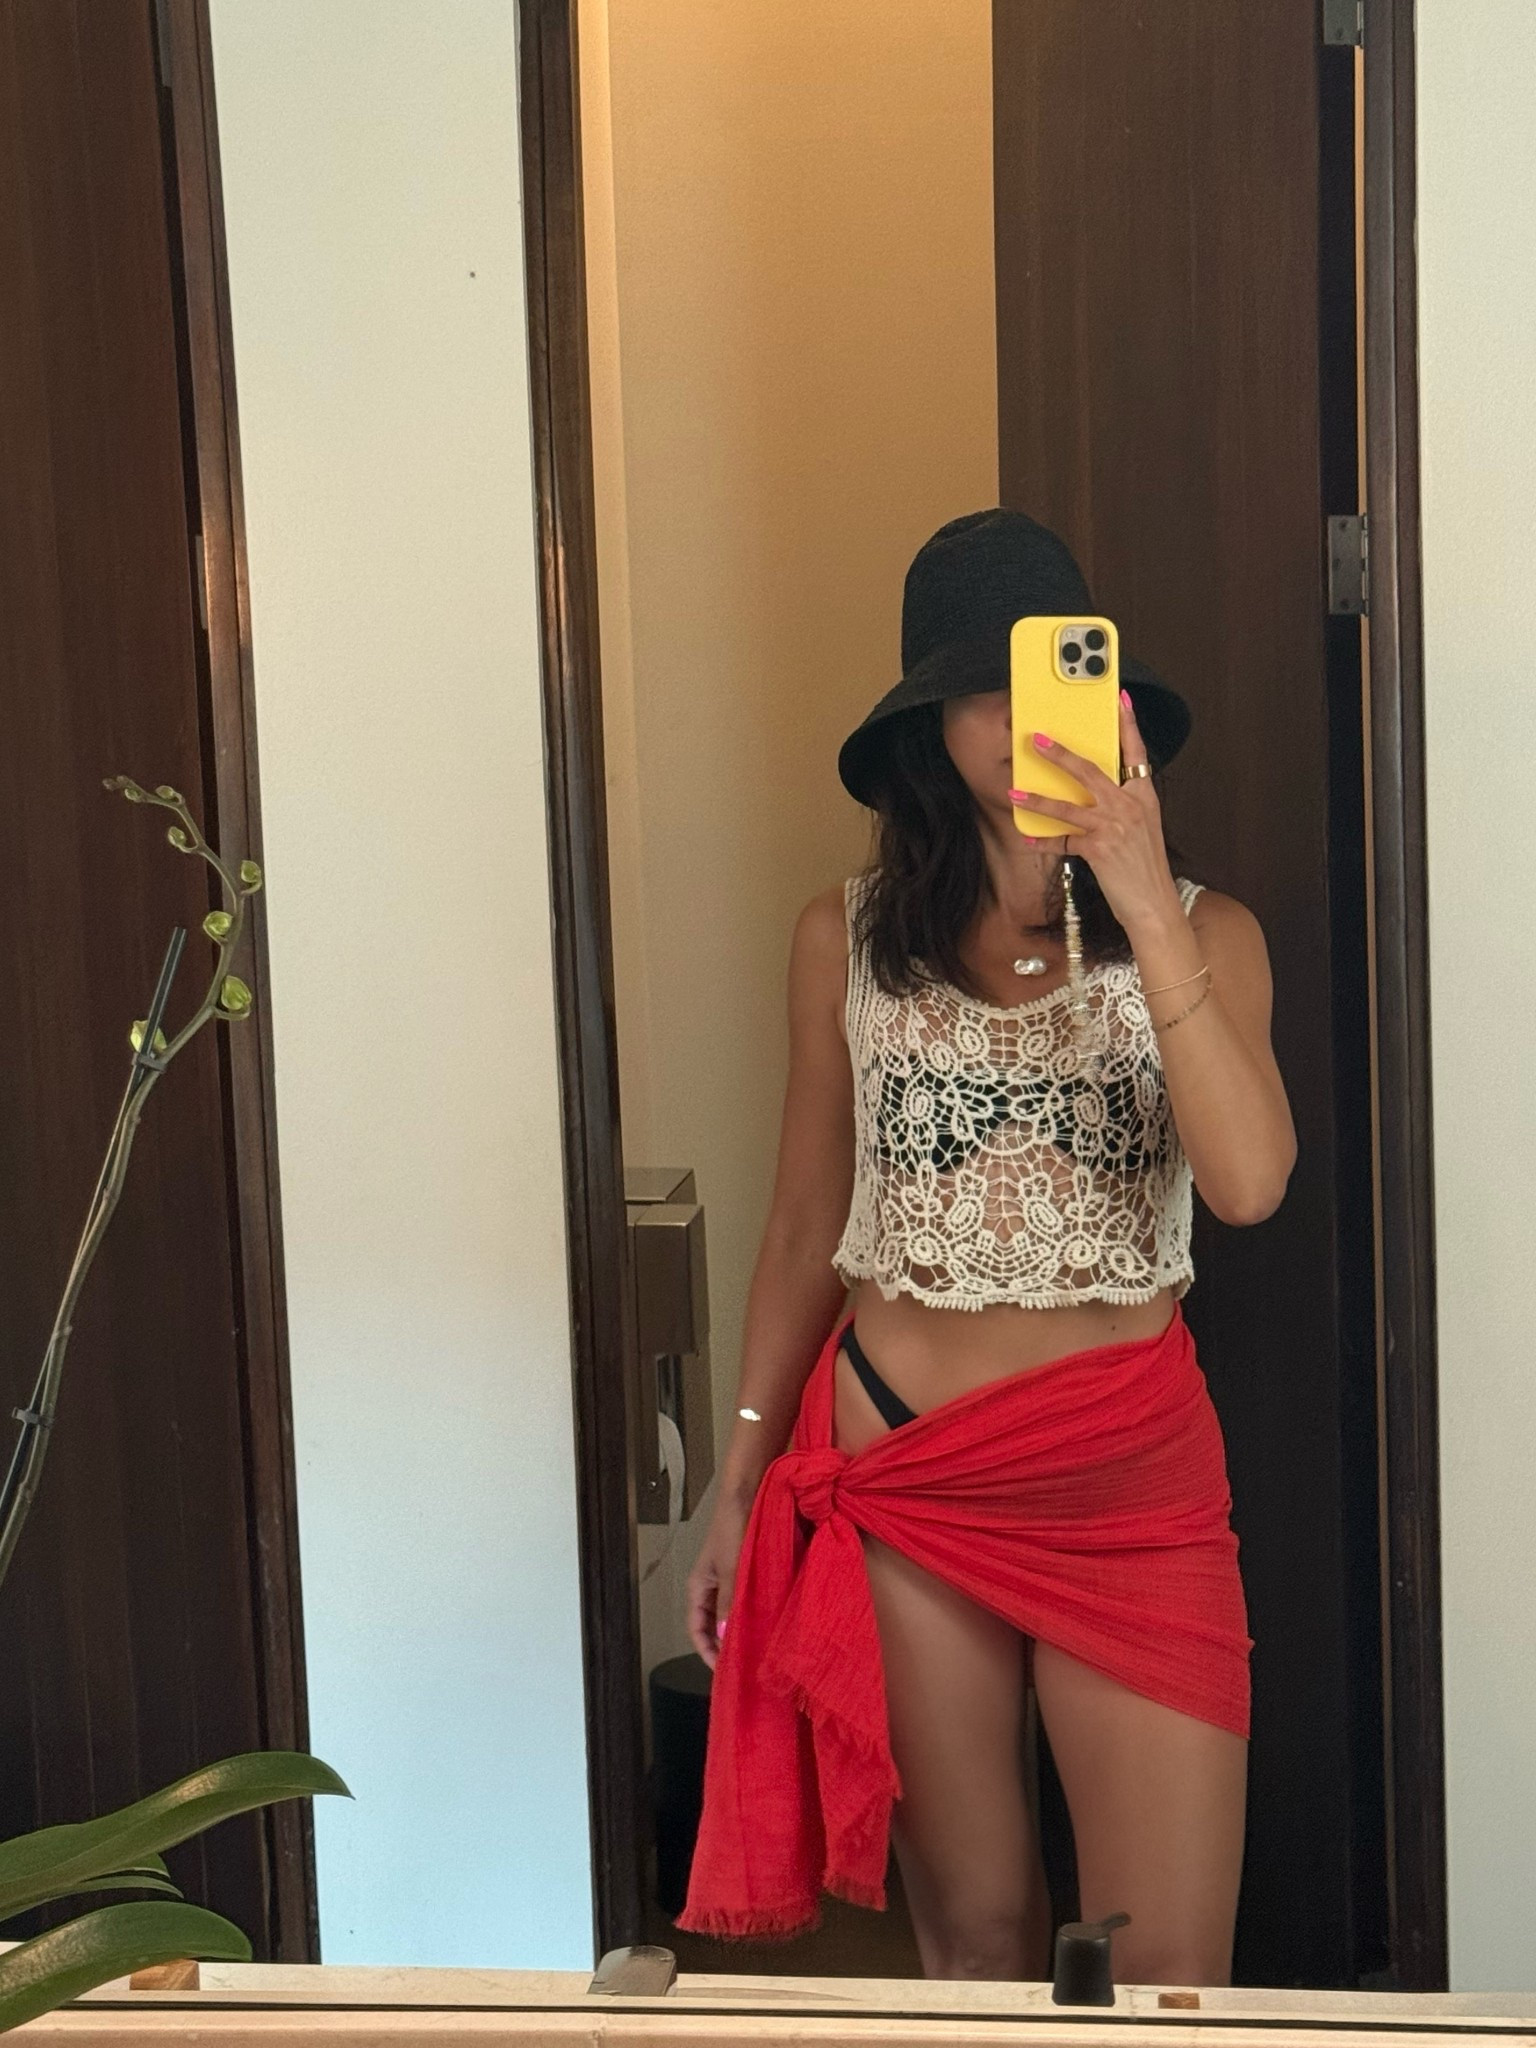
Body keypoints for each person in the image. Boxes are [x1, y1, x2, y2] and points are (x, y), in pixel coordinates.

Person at [676, 509, 1296, 1987]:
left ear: (1111, 703)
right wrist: (739, 1471)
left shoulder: (1211, 930)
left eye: (1049, 683)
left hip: (1127, 1480)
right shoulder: (843, 937)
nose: (1021, 722)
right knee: (974, 1944)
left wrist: (1141, 898)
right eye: (982, 690)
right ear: (928, 726)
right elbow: (804, 1225)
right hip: (906, 1473)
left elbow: (1252, 1184)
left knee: (1166, 1974)